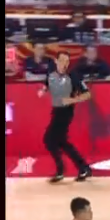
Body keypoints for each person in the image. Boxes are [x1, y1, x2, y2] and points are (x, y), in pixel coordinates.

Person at [39, 52, 92, 183]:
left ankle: (62, 170)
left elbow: (87, 94)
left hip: (66, 112)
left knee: (50, 139)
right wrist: (43, 90)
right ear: (56, 61)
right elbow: (47, 84)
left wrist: (72, 100)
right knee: (60, 141)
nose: (64, 64)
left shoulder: (73, 76)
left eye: (67, 61)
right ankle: (82, 168)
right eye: (62, 60)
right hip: (56, 111)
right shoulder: (51, 74)